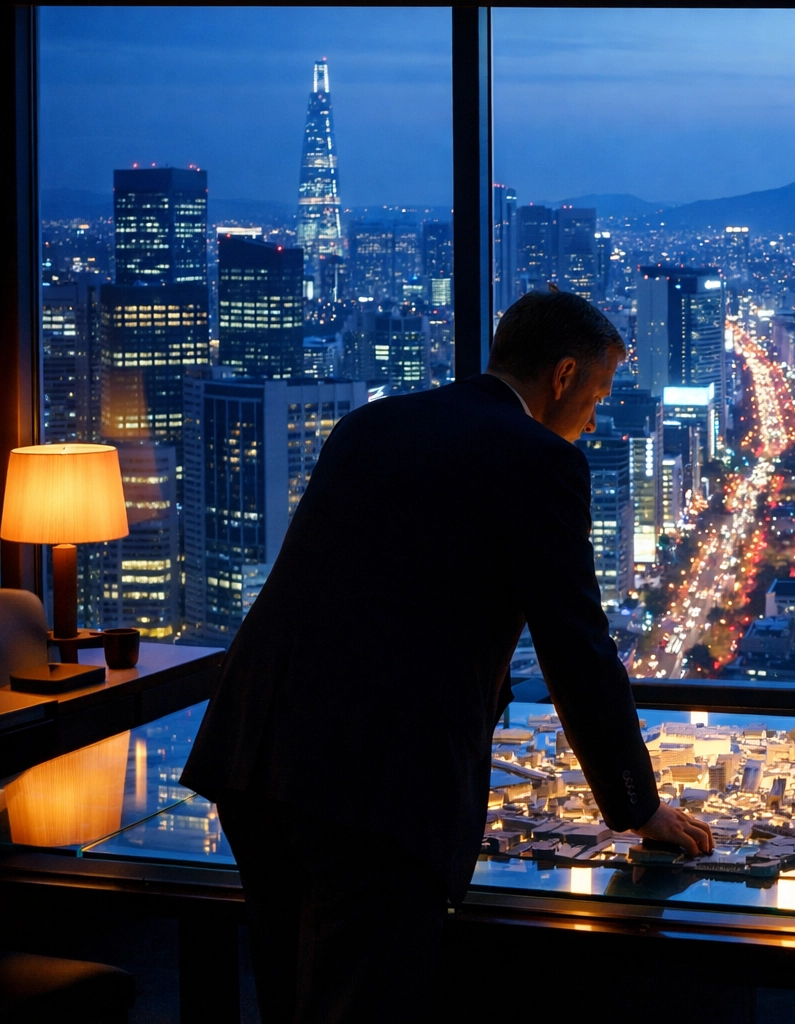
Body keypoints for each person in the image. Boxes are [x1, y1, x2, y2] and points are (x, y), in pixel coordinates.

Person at [181, 291, 713, 1023]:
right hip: (375, 786)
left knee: (288, 988)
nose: (593, 422)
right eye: (595, 395)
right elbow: (577, 649)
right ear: (561, 376)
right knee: (362, 1002)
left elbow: (371, 601)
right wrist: (637, 806)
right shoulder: (539, 461)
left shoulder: (371, 423)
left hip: (255, 753)